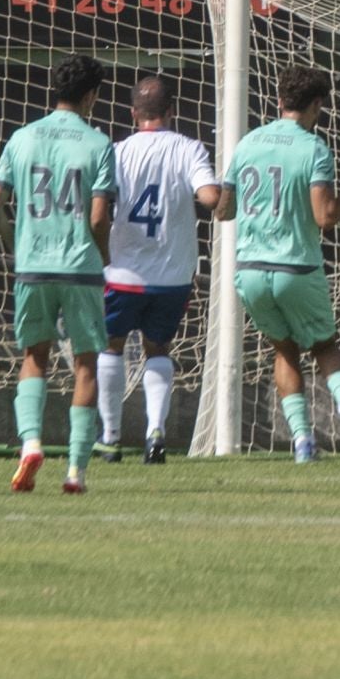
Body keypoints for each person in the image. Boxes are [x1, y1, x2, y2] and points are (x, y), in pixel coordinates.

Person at [216, 65, 340, 462]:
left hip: (251, 270)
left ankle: (303, 442)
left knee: (284, 350)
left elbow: (223, 210)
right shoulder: (313, 148)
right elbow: (326, 218)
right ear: (317, 106)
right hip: (296, 268)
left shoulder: (248, 142)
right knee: (325, 345)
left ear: (279, 101)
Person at [0, 53, 117, 494]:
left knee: (33, 357)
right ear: (92, 96)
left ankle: (31, 444)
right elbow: (99, 220)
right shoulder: (98, 144)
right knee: (85, 364)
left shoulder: (22, 138)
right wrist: (103, 255)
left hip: (34, 266)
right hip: (79, 268)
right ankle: (76, 471)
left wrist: (15, 242)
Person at [96, 75, 221, 465]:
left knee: (111, 346)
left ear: (134, 114)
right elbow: (210, 197)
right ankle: (155, 435)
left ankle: (111, 438)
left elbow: (100, 208)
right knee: (158, 349)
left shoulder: (116, 152)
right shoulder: (188, 149)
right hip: (172, 275)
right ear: (171, 111)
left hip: (123, 272)